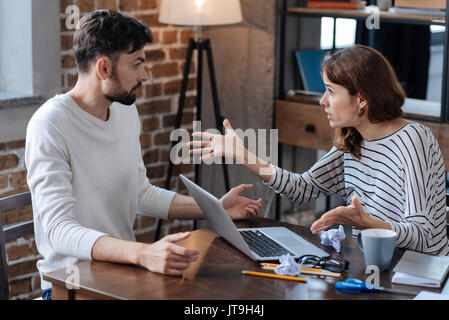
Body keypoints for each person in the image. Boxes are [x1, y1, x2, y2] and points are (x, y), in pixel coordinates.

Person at [25, 10, 263, 300]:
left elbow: (140, 194)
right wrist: (143, 253)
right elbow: (59, 231)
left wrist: (215, 209)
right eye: (136, 64)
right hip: (71, 287)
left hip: (122, 276)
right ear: (103, 69)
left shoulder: (125, 110)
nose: (144, 75)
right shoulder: (49, 124)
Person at [190, 45, 449, 256]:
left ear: (361, 99)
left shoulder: (413, 140)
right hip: (377, 266)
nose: (322, 101)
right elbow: (302, 188)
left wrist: (367, 223)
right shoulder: (353, 139)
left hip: (420, 276)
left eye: (330, 92)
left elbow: (423, 236)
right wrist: (242, 155)